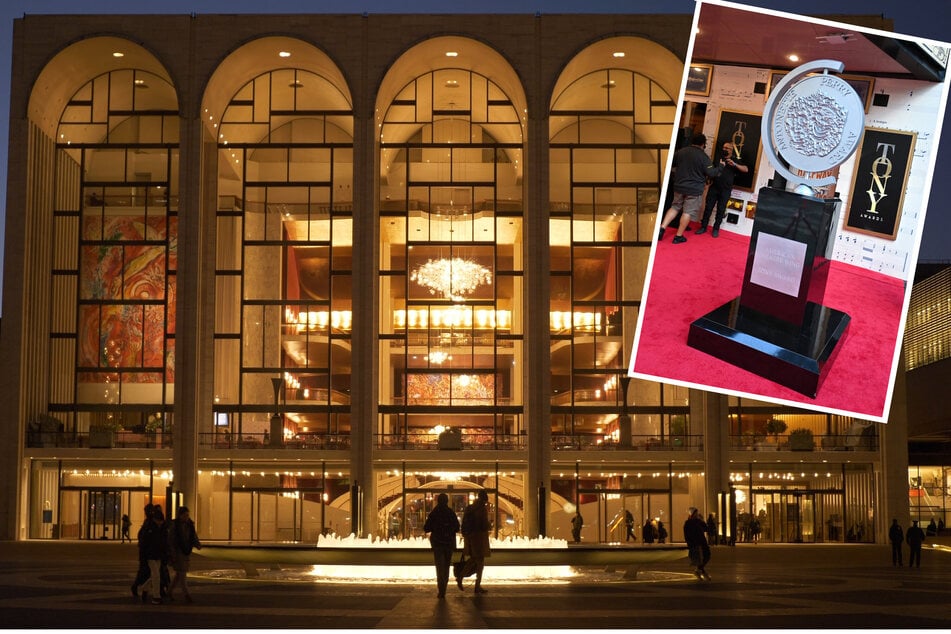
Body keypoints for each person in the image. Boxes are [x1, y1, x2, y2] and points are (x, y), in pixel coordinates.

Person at [657, 133, 719, 244]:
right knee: (687, 212)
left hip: (679, 185)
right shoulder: (703, 157)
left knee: (675, 207)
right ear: (703, 144)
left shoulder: (681, 152)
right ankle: (678, 236)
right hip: (694, 189)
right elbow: (711, 173)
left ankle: (661, 229)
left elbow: (671, 163)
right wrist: (721, 167)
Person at [695, 141, 748, 238]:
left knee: (721, 210)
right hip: (714, 187)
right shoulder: (718, 158)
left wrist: (735, 164)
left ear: (732, 150)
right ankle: (703, 227)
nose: (724, 149)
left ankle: (716, 229)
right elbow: (710, 170)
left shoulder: (735, 160)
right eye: (724, 147)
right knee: (708, 208)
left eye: (727, 148)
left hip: (726, 190)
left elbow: (745, 169)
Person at [423, 493, 460, 599]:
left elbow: (426, 528)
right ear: (447, 501)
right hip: (448, 544)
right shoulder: (450, 513)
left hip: (438, 544)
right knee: (446, 566)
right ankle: (444, 587)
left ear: (438, 501)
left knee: (439, 567)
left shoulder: (434, 513)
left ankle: (441, 589)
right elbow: (457, 528)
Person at [458, 490, 491, 594]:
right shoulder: (481, 509)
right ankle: (475, 585)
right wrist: (489, 525)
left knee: (473, 559)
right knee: (480, 562)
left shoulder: (470, 508)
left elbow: (464, 524)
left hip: (470, 538)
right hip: (479, 538)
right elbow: (483, 525)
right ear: (484, 499)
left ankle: (462, 577)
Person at [167, 506, 202, 603]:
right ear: (180, 515)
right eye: (185, 515)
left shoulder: (190, 524)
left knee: (179, 574)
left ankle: (169, 592)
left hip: (186, 551)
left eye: (187, 515)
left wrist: (197, 544)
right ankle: (186, 594)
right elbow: (171, 540)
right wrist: (172, 553)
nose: (186, 517)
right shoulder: (175, 525)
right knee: (182, 574)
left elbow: (193, 536)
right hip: (178, 552)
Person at [140, 506, 169, 604]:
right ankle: (156, 597)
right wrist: (143, 555)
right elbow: (144, 542)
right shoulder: (149, 527)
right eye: (159, 521)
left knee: (155, 575)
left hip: (159, 554)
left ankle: (145, 587)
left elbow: (165, 542)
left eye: (161, 521)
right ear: (155, 519)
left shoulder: (163, 528)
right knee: (156, 574)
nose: (160, 523)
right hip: (150, 555)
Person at [684, 507, 710, 580]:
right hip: (695, 543)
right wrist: (690, 544)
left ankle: (698, 571)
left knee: (707, 556)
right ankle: (701, 572)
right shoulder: (688, 523)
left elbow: (706, 529)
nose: (697, 514)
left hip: (702, 542)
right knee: (699, 559)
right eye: (696, 513)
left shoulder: (698, 521)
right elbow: (687, 535)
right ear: (692, 514)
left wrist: (702, 520)